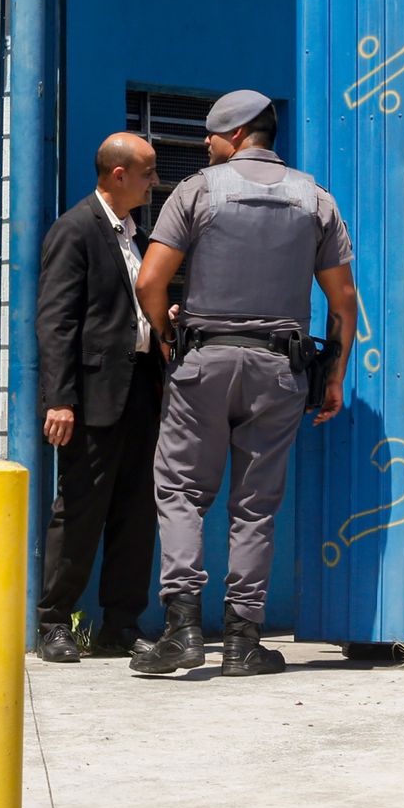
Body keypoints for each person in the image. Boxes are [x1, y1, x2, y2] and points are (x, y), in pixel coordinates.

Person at [129, 90, 356, 678]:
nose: (204, 143)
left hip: (203, 361)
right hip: (280, 370)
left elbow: (151, 280)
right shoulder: (315, 199)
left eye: (211, 134)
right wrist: (334, 376)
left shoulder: (199, 190)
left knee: (180, 491)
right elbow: (342, 299)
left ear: (236, 134)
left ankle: (181, 630)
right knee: (254, 508)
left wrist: (165, 334)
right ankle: (241, 641)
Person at [34, 132, 165, 662]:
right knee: (81, 509)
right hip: (91, 397)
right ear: (119, 175)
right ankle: (54, 623)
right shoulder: (75, 230)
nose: (156, 181)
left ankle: (121, 623)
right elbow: (56, 320)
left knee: (137, 510)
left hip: (139, 389)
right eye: (149, 172)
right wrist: (60, 400)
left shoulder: (136, 233)